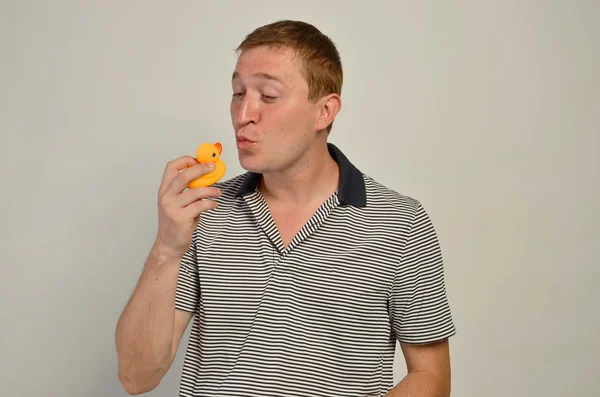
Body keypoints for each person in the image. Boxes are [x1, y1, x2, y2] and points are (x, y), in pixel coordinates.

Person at [115, 20, 456, 397]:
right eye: (237, 92)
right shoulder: (204, 211)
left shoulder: (401, 222)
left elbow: (431, 377)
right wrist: (166, 247)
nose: (243, 113)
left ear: (325, 111)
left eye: (269, 95)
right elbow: (137, 376)